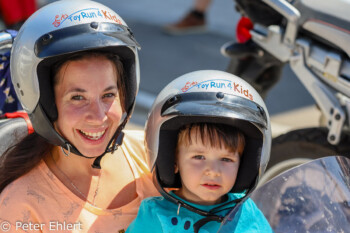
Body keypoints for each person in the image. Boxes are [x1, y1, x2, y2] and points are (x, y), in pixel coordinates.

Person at [0, 1, 158, 232]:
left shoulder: (152, 156)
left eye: (108, 95)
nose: (98, 116)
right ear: (45, 102)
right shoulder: (21, 207)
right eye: (77, 97)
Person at [127, 70, 273, 232]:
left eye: (226, 159)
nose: (213, 171)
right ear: (174, 162)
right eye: (199, 157)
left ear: (243, 164)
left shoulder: (246, 213)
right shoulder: (155, 216)